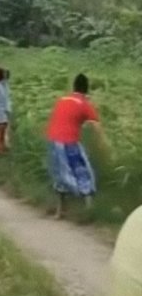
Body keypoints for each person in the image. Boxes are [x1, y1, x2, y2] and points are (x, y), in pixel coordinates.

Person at [46, 73, 105, 219]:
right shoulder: (84, 104)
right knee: (82, 171)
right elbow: (96, 126)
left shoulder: (62, 99)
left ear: (74, 87)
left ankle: (61, 210)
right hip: (69, 141)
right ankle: (88, 206)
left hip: (53, 140)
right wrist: (103, 144)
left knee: (60, 174)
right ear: (87, 89)